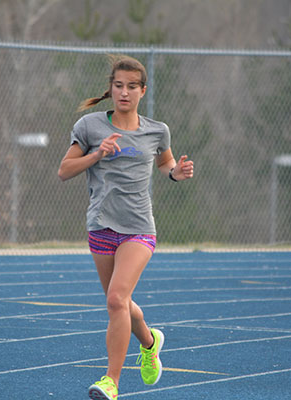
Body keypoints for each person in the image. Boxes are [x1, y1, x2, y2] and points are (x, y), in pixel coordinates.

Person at [57, 55, 194, 400]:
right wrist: (96, 155)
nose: (124, 92)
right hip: (101, 227)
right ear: (111, 88)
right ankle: (149, 342)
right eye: (118, 85)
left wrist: (176, 174)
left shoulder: (156, 130)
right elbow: (64, 170)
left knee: (117, 298)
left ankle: (111, 382)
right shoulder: (90, 126)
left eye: (132, 86)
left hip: (138, 229)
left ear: (142, 91)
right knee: (120, 302)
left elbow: (165, 163)